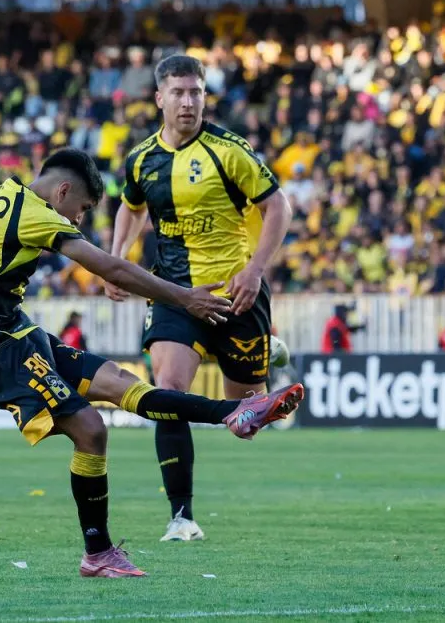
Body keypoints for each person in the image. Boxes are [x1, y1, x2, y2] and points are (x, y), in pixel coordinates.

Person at [0, 148, 304, 576]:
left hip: (17, 334)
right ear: (63, 192)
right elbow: (112, 268)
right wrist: (185, 299)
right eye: (81, 209)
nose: (78, 218)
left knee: (120, 383)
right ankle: (97, 551)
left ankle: (235, 413)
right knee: (91, 430)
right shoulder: (38, 215)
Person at [105, 55, 293, 543]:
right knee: (167, 390)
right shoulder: (143, 158)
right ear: (159, 98)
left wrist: (255, 270)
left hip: (235, 292)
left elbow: (278, 207)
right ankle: (181, 516)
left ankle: (272, 351)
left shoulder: (229, 151)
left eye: (196, 92)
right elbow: (131, 208)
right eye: (179, 92)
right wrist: (116, 257)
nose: (188, 101)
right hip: (175, 293)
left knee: (245, 414)